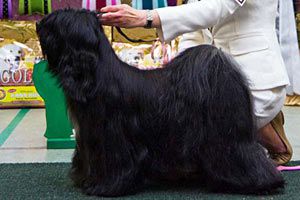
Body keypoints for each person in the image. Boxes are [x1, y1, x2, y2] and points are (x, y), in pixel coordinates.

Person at [100, 0, 293, 165]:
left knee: (213, 149)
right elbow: (194, 30)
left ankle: (269, 135)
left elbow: (219, 6)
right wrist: (179, 74)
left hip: (255, 78)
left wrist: (147, 17)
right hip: (211, 78)